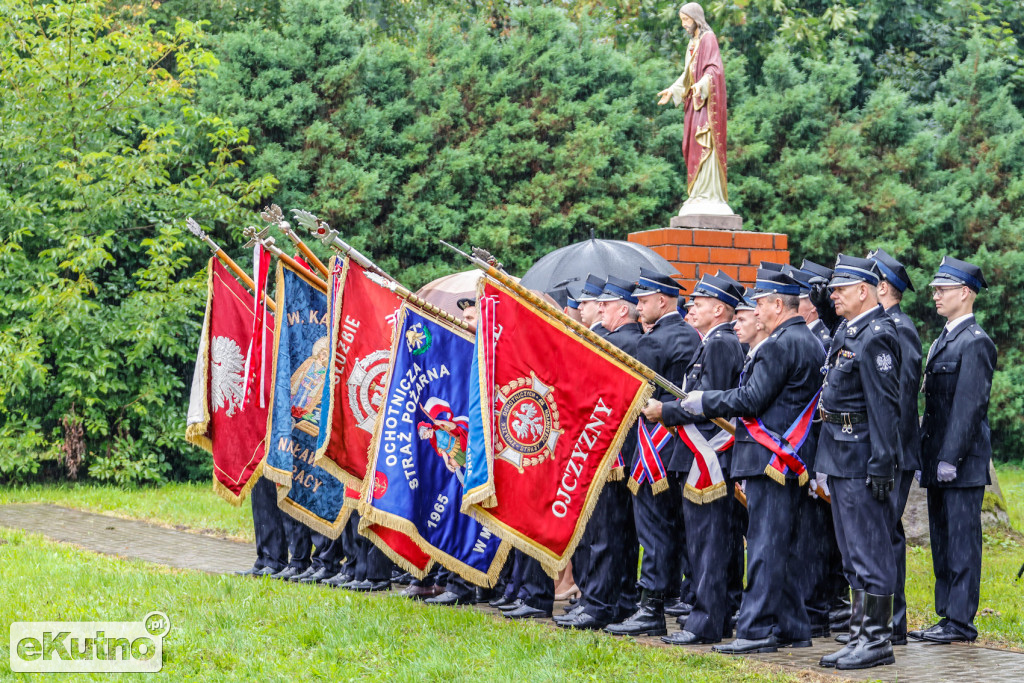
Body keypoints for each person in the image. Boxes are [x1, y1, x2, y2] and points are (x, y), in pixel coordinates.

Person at [678, 267, 825, 654]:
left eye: (760, 303)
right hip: (789, 458)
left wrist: (703, 401)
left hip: (771, 457)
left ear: (779, 304)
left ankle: (755, 630)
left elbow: (751, 400)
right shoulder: (806, 340)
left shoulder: (779, 344)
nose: (756, 311)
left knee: (763, 546)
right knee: (782, 547)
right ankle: (793, 627)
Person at [644, 274, 745, 645]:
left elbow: (710, 405)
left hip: (710, 457)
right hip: (702, 456)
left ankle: (706, 621)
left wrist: (665, 411)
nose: (691, 308)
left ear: (719, 308)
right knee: (710, 542)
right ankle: (714, 614)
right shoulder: (712, 342)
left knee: (710, 544)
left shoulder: (720, 344)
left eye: (699, 302)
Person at [815, 255, 902, 671]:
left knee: (870, 552)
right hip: (839, 452)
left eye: (840, 289)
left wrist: (883, 463)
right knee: (851, 553)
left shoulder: (877, 336)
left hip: (863, 454)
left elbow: (885, 409)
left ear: (863, 291)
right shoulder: (849, 331)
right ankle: (859, 635)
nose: (833, 295)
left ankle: (878, 641)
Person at [606, 268, 700, 637]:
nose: (637, 307)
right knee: (676, 527)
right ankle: (676, 595)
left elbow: (632, 393)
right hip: (681, 445)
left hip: (653, 448)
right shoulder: (690, 335)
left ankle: (651, 607)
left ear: (662, 301)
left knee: (652, 529)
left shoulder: (654, 341)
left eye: (643, 301)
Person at [912, 256, 996, 644]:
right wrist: (924, 455)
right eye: (934, 289)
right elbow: (933, 408)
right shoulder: (945, 338)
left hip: (960, 461)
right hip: (938, 457)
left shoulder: (976, 342)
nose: (935, 296)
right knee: (943, 541)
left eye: (942, 289)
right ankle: (947, 616)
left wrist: (951, 457)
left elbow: (969, 406)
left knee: (962, 543)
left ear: (965, 293)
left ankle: (961, 621)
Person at [557, 276, 644, 630]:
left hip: (611, 451)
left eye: (606, 304)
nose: (597, 308)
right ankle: (609, 599)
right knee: (607, 534)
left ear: (623, 308)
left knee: (606, 534)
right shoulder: (612, 340)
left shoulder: (620, 343)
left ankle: (602, 602)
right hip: (608, 450)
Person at [867, 247, 922, 646]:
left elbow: (901, 396)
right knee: (883, 531)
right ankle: (885, 620)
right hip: (887, 447)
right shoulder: (884, 325)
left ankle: (891, 622)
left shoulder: (899, 327)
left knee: (885, 532)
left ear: (882, 286)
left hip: (895, 449)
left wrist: (886, 449)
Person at [658, 3, 731, 216]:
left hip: (706, 105)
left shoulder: (708, 39)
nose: (684, 25)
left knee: (705, 143)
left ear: (696, 18)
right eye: (682, 20)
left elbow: (715, 69)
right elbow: (688, 74)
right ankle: (698, 193)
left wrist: (703, 84)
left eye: (686, 20)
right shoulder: (692, 43)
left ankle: (710, 195)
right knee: (691, 147)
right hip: (694, 104)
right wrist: (673, 90)